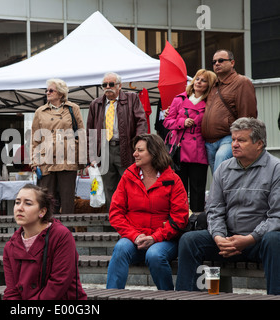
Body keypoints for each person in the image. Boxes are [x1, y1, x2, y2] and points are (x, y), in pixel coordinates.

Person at [175, 118, 280, 295]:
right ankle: (185, 297)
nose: (235, 144)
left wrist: (250, 238)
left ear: (259, 144)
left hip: (258, 242)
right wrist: (219, 238)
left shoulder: (276, 169)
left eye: (242, 140)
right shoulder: (223, 168)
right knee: (189, 240)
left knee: (275, 240)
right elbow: (214, 210)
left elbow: (277, 216)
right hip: (227, 240)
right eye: (233, 139)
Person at [106, 133, 189, 290]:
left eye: (140, 150)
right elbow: (116, 213)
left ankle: (167, 296)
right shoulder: (128, 177)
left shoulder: (173, 179)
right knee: (120, 248)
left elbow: (180, 218)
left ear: (153, 152)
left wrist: (155, 237)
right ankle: (112, 295)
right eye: (135, 150)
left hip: (165, 239)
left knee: (155, 255)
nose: (134, 154)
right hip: (135, 238)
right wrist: (135, 235)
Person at [3, 184, 87, 300]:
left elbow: (58, 284)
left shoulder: (61, 236)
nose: (19, 208)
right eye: (17, 202)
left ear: (42, 212)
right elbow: (12, 292)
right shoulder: (10, 246)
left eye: (28, 203)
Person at [87, 72, 147, 210]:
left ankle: (130, 222)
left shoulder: (132, 99)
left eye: (111, 84)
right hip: (104, 150)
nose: (107, 87)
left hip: (126, 148)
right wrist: (91, 156)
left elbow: (141, 122)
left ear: (119, 86)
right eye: (104, 85)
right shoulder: (95, 104)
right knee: (109, 188)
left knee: (130, 185)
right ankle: (112, 223)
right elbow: (89, 132)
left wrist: (138, 144)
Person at [163, 69, 217, 212]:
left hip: (199, 150)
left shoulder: (211, 102)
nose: (198, 82)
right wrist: (182, 122)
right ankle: (179, 218)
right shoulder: (179, 99)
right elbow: (167, 122)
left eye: (203, 80)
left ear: (209, 85)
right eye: (197, 79)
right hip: (179, 150)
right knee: (178, 189)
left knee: (198, 189)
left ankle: (197, 220)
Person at [31, 78, 86, 215]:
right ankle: (48, 232)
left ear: (61, 94)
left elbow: (81, 134)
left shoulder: (73, 109)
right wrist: (34, 161)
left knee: (68, 201)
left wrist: (82, 161)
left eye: (51, 90)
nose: (47, 93)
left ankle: (67, 232)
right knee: (47, 200)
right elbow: (34, 140)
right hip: (46, 160)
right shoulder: (40, 111)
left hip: (68, 159)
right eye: (46, 90)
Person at [201, 49, 257, 173]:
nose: (216, 63)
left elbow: (248, 114)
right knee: (220, 178)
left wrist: (241, 139)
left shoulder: (242, 82)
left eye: (221, 60)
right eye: (214, 61)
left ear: (232, 63)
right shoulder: (213, 85)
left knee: (219, 177)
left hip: (228, 138)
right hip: (209, 142)